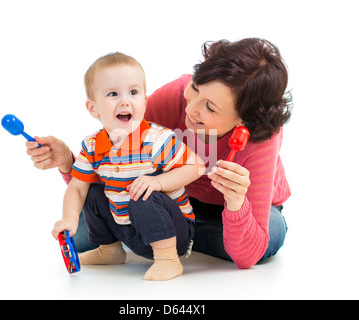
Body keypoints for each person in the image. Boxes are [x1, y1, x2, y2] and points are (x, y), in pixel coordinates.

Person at [27, 38, 292, 269]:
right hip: (167, 198)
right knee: (84, 238)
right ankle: (166, 237)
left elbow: (247, 258)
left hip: (226, 206)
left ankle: (164, 240)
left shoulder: (261, 139)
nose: (190, 109)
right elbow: (114, 170)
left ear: (243, 121)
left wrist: (235, 204)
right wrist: (68, 163)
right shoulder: (174, 97)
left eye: (210, 108)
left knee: (271, 232)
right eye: (196, 88)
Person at [51, 52, 204, 281]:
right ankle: (110, 250)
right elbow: (76, 188)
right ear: (93, 109)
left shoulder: (156, 139)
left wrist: (158, 181)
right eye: (113, 94)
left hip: (173, 232)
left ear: (144, 101)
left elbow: (197, 166)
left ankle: (168, 260)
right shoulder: (92, 145)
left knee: (143, 192)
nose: (125, 101)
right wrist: (70, 219)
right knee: (92, 191)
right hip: (129, 231)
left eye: (133, 92)